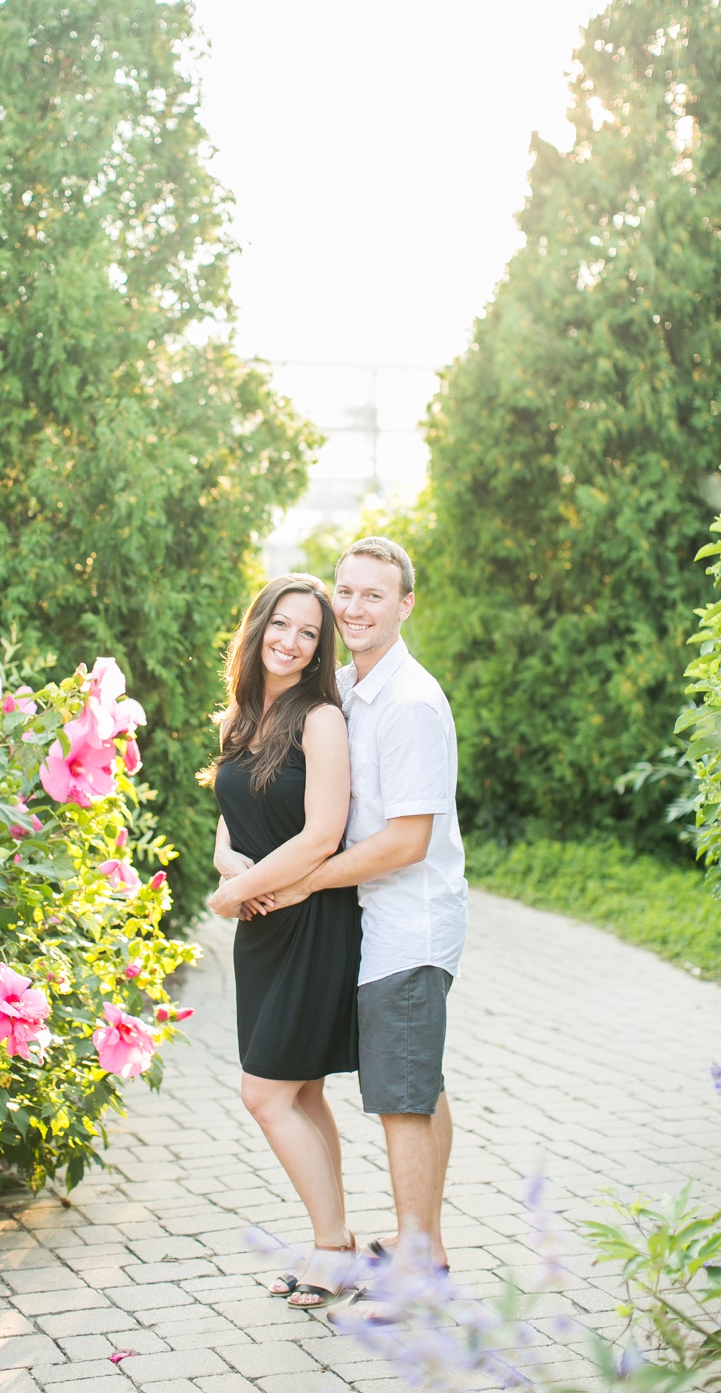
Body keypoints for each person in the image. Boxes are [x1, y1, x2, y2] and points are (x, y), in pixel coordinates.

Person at [234, 536, 468, 1296]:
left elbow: (408, 838)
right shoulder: (347, 686)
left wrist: (305, 884)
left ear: (405, 605)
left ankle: (419, 1267)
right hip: (369, 922)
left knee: (401, 1099)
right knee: (420, 1087)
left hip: (407, 924)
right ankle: (414, 1243)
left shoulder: (409, 702)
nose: (356, 606)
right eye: (349, 591)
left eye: (376, 593)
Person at [202, 573, 362, 1309]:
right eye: (282, 624)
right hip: (262, 927)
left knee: (265, 1094)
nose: (291, 641)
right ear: (259, 623)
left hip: (309, 920)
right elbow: (229, 822)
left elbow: (322, 834)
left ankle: (331, 1249)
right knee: (301, 1091)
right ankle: (339, 1243)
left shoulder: (320, 718)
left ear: (319, 648)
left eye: (309, 633)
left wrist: (238, 890)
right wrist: (229, 867)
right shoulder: (240, 715)